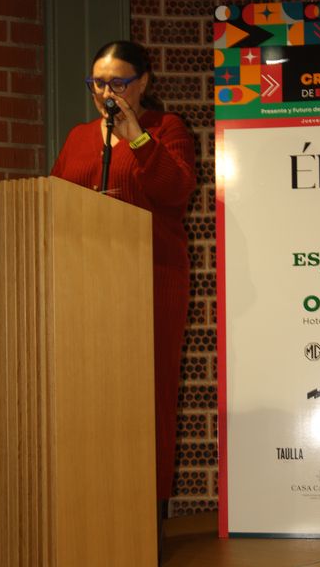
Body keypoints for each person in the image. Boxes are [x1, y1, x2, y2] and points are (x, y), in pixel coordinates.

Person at [51, 39, 196, 555]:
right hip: (86, 288)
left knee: (146, 398)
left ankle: (143, 524)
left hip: (151, 282)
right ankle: (91, 516)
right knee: (87, 397)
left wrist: (137, 137)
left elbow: (175, 191)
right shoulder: (78, 137)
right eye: (98, 82)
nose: (105, 92)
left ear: (144, 83)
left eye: (117, 82)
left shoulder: (167, 129)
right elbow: (57, 202)